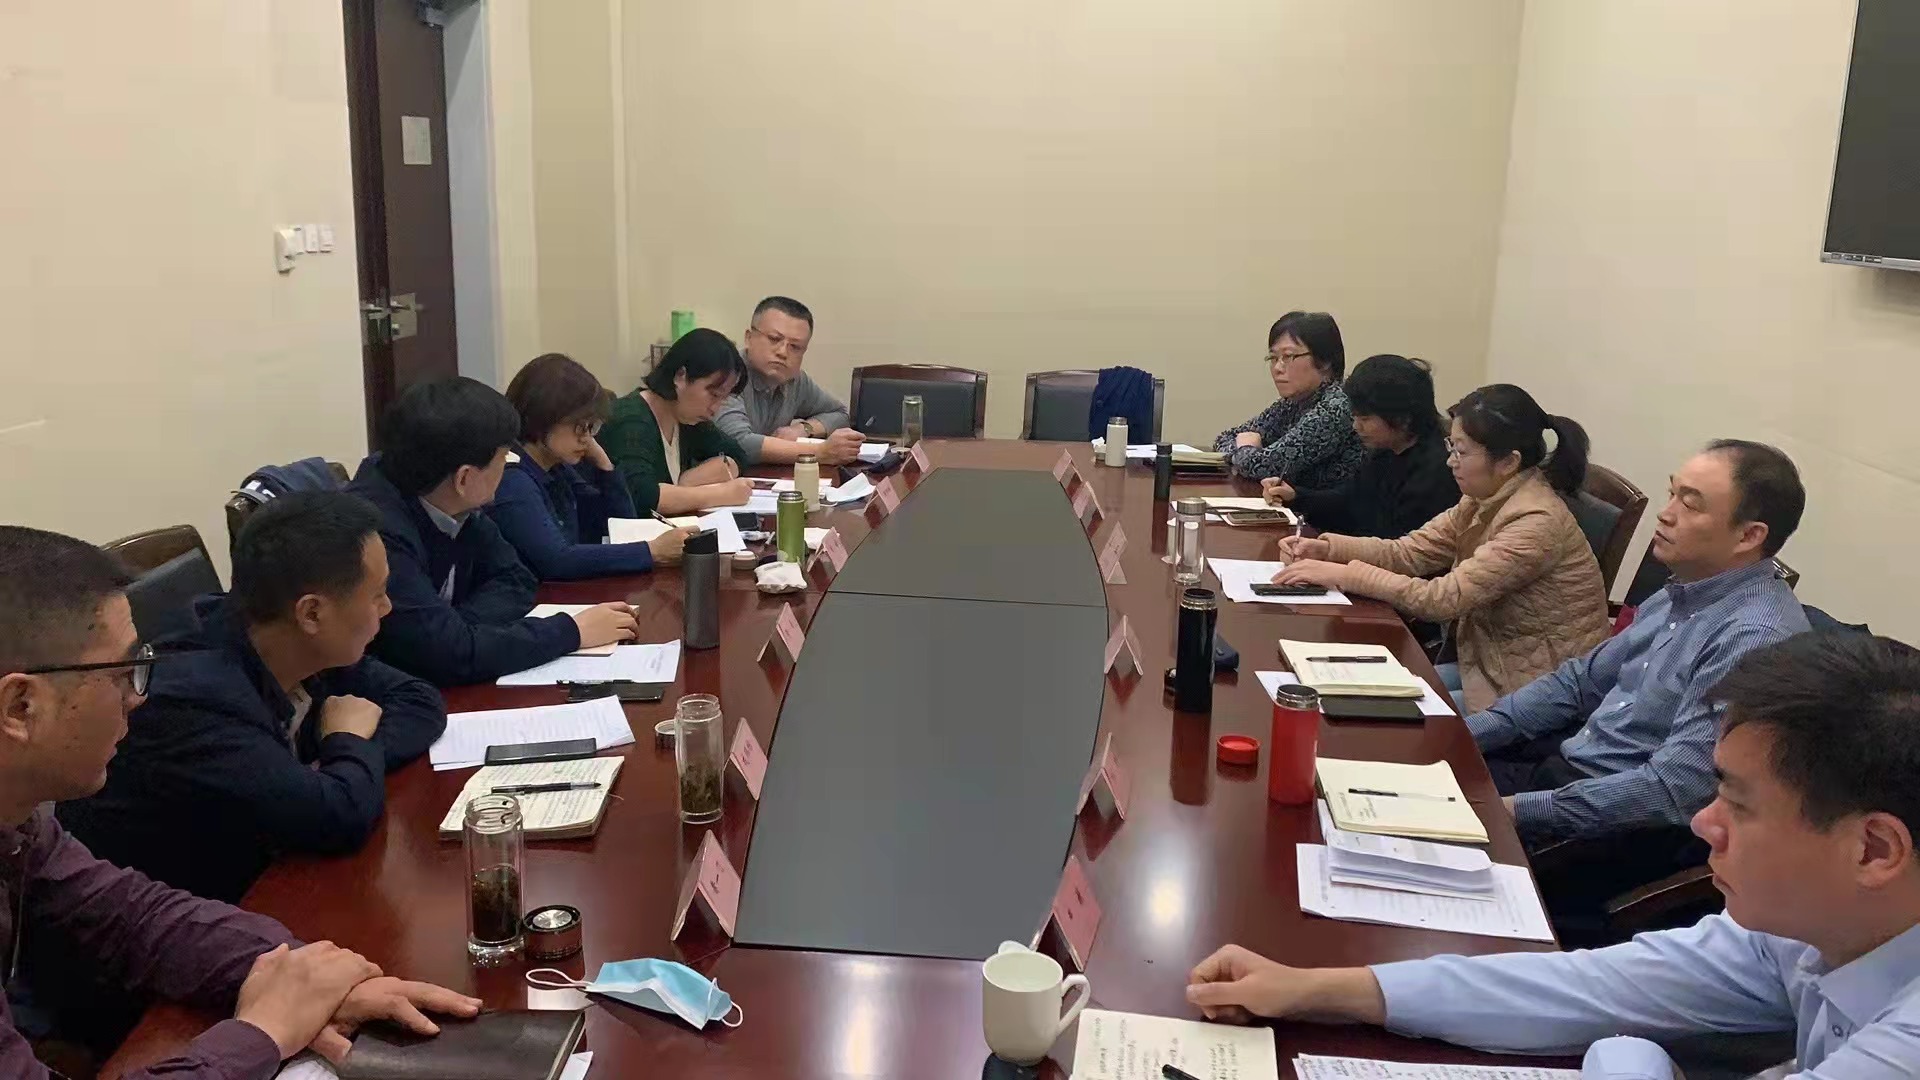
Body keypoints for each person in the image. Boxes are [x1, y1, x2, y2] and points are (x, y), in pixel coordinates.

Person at [1187, 632, 1920, 1079]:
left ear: (1873, 849)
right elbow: (1589, 987)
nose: (1704, 822)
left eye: (1740, 804)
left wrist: (1630, 1057)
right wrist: (1316, 989)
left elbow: (1619, 1037)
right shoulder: (1808, 927)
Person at [0, 525, 479, 1078]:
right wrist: (262, 1034)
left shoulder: (20, 819)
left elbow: (128, 914)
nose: (137, 698)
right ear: (20, 707)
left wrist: (302, 977)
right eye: (122, 673)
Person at [58, 492, 448, 904]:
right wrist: (346, 744)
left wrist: (341, 769)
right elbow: (338, 818)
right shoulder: (194, 704)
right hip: (189, 914)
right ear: (312, 613)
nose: (387, 608)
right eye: (376, 594)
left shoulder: (292, 640)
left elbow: (420, 701)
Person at [1471, 441, 1808, 878]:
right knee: (1409, 776)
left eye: (1690, 504)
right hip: (1566, 770)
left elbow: (1674, 789)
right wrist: (1467, 735)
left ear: (1749, 536)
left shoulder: (1751, 638)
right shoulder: (1684, 588)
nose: (1666, 514)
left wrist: (1520, 810)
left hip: (1611, 827)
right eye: (1672, 494)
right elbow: (1578, 683)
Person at [1274, 384, 1609, 713]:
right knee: (1360, 695)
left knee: (1389, 716)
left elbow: (1442, 599)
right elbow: (1408, 552)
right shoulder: (1484, 497)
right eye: (1452, 446)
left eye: (1461, 452)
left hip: (1539, 688)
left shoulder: (1534, 522)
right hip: (1488, 661)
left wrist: (1346, 575)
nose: (1450, 461)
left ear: (1508, 462)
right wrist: (1327, 549)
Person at [346, 377, 638, 687]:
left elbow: (517, 578)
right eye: (504, 458)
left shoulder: (454, 500)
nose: (509, 467)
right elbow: (449, 656)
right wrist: (571, 632)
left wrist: (457, 629)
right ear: (465, 478)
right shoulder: (374, 534)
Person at [489, 352, 696, 580]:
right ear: (542, 418)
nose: (586, 438)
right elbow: (558, 560)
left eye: (591, 427)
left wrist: (605, 466)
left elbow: (618, 527)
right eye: (579, 426)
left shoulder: (557, 468)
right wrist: (652, 551)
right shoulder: (512, 480)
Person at [1261, 354, 1459, 539]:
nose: (1356, 426)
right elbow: (1348, 502)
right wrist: (1295, 496)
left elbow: (1396, 547)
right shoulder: (1385, 452)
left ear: (1402, 419)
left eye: (1365, 419)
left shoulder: (1438, 471)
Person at [600, 328, 755, 515]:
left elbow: (737, 454)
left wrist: (690, 480)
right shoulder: (630, 419)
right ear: (680, 376)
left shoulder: (687, 418)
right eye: (714, 395)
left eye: (723, 399)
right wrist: (720, 494)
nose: (715, 409)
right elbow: (642, 497)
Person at [1211, 311, 1365, 487]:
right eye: (1273, 358)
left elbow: (1264, 466)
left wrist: (1245, 449)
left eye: (1288, 356)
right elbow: (1224, 439)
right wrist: (1245, 452)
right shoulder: (1293, 402)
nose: (1277, 368)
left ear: (1324, 361)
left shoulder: (1337, 406)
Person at [713, 297, 867, 466]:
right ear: (749, 338)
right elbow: (739, 443)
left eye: (795, 347)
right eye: (774, 339)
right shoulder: (727, 374)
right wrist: (819, 452)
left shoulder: (794, 380)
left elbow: (839, 414)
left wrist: (803, 429)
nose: (783, 352)